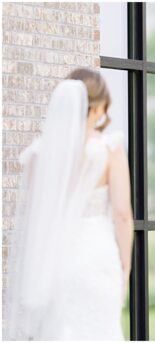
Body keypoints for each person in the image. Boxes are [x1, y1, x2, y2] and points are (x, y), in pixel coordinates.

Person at [3, 68, 134, 340]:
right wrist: (126, 266)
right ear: (98, 107)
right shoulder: (109, 148)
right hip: (97, 257)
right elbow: (122, 215)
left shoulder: (39, 154)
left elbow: (36, 217)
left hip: (54, 261)